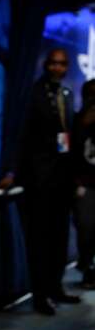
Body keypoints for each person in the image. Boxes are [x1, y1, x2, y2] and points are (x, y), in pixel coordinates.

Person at [8, 48, 81, 314]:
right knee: (40, 241)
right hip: (38, 180)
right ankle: (41, 296)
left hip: (63, 180)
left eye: (62, 64)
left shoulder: (67, 94)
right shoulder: (33, 93)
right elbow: (21, 135)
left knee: (60, 239)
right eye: (53, 63)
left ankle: (56, 288)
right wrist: (11, 171)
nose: (57, 68)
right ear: (45, 64)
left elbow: (70, 137)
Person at [72, 78, 95, 289]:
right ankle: (87, 265)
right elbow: (69, 152)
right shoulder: (77, 120)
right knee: (85, 227)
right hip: (84, 184)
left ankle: (91, 270)